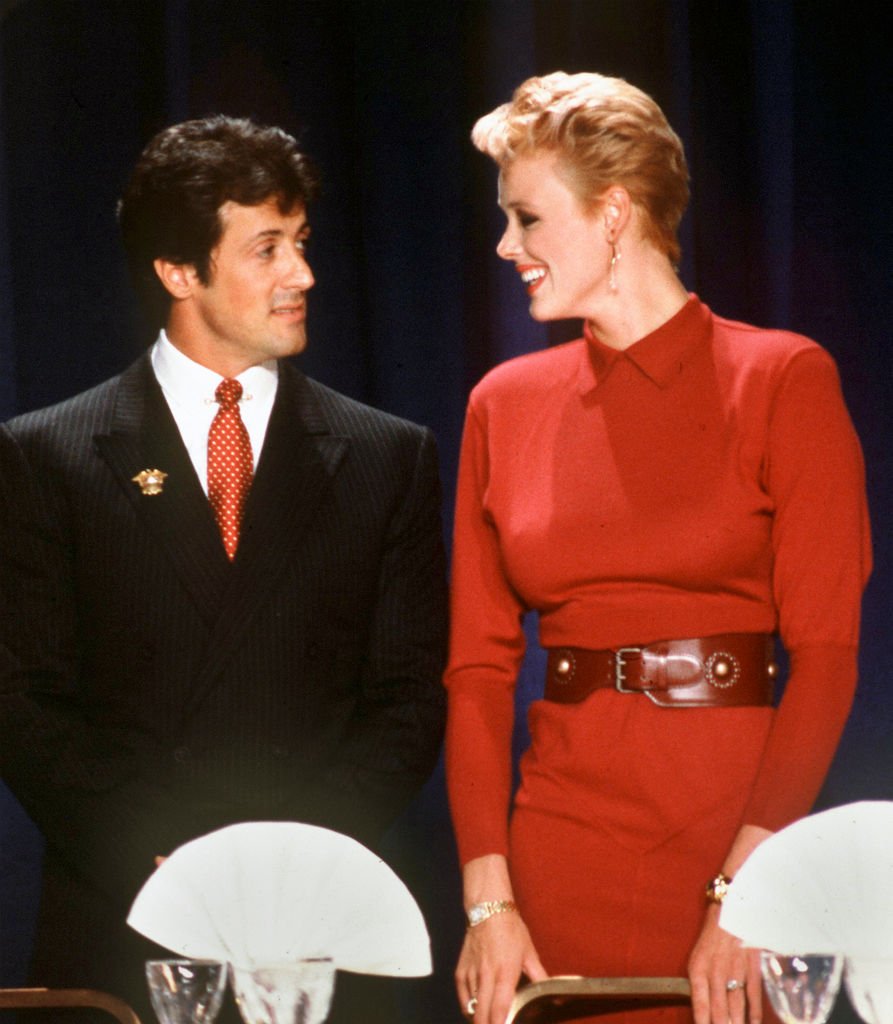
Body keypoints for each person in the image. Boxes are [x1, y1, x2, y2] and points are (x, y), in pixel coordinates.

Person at [444, 72, 871, 1024]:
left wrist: (746, 891)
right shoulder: (501, 405)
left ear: (612, 213)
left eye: (527, 217)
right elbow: (474, 672)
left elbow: (829, 661)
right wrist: (489, 899)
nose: (505, 245)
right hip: (556, 849)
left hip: (731, 835)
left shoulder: (782, 379)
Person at [0, 115, 448, 1023]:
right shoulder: (47, 455)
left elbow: (405, 698)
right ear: (179, 271)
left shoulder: (384, 456)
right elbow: (23, 702)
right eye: (267, 248)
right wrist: (161, 859)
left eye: (303, 244)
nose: (304, 276)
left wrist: (287, 870)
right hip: (124, 922)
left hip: (318, 927)